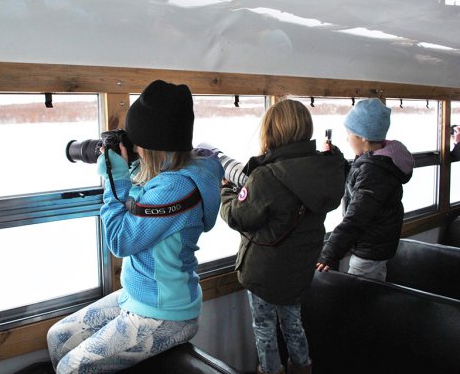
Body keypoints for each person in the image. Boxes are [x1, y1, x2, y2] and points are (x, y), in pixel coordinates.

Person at [46, 80, 223, 373]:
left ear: (153, 144)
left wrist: (115, 183)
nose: (133, 145)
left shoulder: (176, 187)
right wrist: (123, 169)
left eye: (136, 140)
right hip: (137, 295)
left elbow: (120, 241)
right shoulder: (163, 171)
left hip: (165, 313)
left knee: (70, 369)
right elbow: (143, 190)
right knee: (59, 337)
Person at [220, 99, 346, 374]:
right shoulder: (326, 169)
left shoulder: (267, 176)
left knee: (264, 328)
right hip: (299, 269)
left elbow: (240, 217)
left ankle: (270, 370)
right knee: (293, 323)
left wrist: (227, 191)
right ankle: (302, 367)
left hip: (264, 272)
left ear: (272, 132)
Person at [316, 98, 414, 281]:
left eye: (349, 134)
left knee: (358, 298)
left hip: (370, 249)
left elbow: (356, 218)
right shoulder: (377, 160)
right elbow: (356, 180)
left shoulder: (374, 171)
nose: (347, 138)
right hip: (377, 245)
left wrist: (329, 253)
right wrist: (335, 157)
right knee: (374, 291)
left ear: (362, 137)